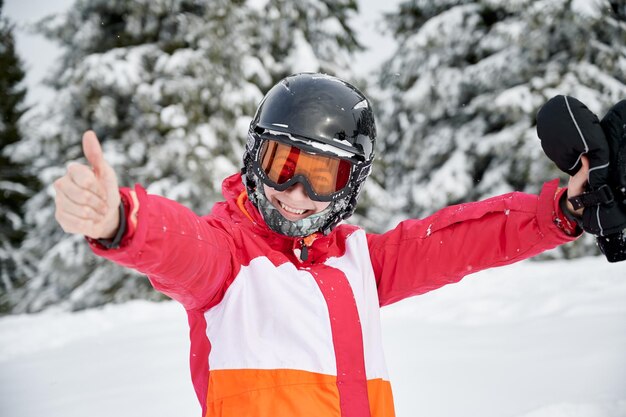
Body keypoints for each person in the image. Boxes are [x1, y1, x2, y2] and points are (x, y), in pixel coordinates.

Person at [53, 73, 588, 417]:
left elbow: (455, 240)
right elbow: (181, 247)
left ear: (350, 184)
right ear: (254, 159)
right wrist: (124, 221)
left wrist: (559, 212)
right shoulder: (230, 261)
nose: (296, 194)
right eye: (282, 166)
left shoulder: (360, 262)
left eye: (321, 176)